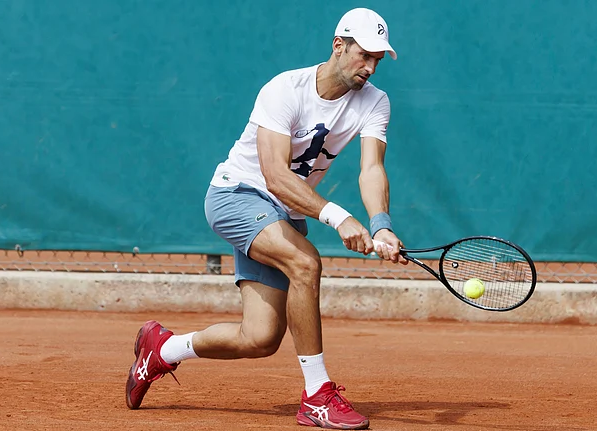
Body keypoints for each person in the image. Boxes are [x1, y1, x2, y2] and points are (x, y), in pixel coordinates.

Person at [125, 7, 408, 429]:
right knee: (305, 262)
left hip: (284, 211)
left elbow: (372, 169)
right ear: (338, 45)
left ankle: (161, 350)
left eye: (377, 59)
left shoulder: (376, 102)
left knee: (258, 338)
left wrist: (380, 222)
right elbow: (275, 175)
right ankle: (317, 396)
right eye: (363, 55)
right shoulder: (285, 89)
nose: (370, 67)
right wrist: (338, 217)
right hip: (236, 195)